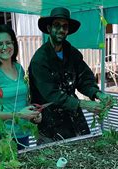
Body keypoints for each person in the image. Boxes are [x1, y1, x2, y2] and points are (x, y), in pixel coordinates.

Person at [28, 7, 113, 143]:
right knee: (56, 157)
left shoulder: (72, 53)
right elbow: (51, 94)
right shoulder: (40, 60)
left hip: (74, 114)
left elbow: (84, 78)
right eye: (57, 25)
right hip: (50, 118)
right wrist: (84, 104)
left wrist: (98, 94)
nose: (61, 30)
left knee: (84, 148)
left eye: (65, 26)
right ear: (49, 28)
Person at [0, 24, 41, 149]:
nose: (5, 47)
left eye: (8, 42)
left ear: (14, 44)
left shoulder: (19, 68)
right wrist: (19, 114)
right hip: (2, 137)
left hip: (22, 134)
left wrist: (32, 113)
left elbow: (22, 100)